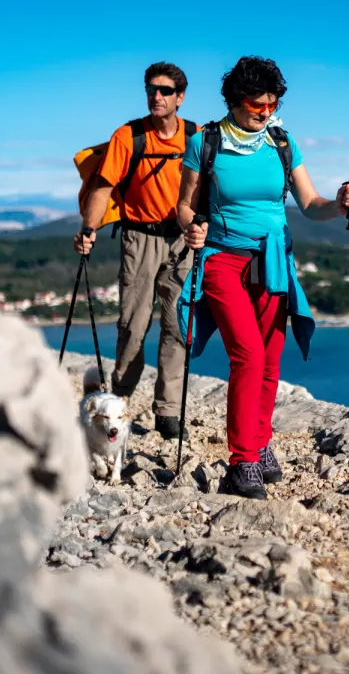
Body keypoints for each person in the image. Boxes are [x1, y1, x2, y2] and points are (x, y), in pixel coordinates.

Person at [176, 56, 349, 499]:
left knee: (271, 358)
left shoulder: (281, 141)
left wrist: (338, 205)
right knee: (247, 355)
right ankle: (242, 463)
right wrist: (191, 226)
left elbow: (310, 204)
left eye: (272, 104)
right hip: (222, 259)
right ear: (234, 101)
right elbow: (184, 205)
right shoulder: (205, 142)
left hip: (274, 260)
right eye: (256, 105)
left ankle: (260, 445)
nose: (265, 112)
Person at [74, 62, 196, 440]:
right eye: (150, 89)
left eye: (164, 90)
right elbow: (103, 187)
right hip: (139, 238)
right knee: (133, 325)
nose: (156, 96)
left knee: (178, 325)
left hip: (182, 240)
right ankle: (119, 401)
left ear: (180, 97)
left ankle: (168, 412)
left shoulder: (195, 136)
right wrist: (89, 228)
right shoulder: (129, 136)